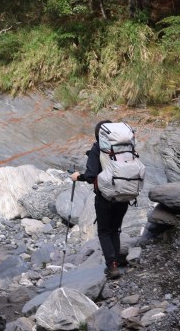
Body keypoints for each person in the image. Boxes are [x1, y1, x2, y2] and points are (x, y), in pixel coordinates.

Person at [70, 120, 130, 279]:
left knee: (104, 232)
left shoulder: (98, 149)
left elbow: (91, 176)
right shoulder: (125, 147)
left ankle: (112, 266)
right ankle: (117, 261)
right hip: (124, 195)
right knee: (115, 230)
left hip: (105, 197)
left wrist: (78, 176)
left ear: (98, 135)